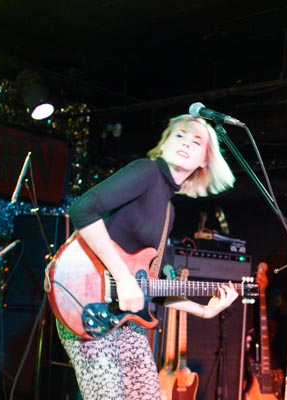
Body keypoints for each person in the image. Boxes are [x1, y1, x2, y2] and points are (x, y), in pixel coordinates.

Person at [58, 114, 240, 400]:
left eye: (196, 141)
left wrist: (204, 310)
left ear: (205, 160)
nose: (186, 143)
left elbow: (151, 285)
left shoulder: (169, 211)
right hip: (85, 299)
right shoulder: (146, 171)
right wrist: (122, 277)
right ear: (164, 144)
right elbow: (82, 209)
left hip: (124, 316)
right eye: (179, 135)